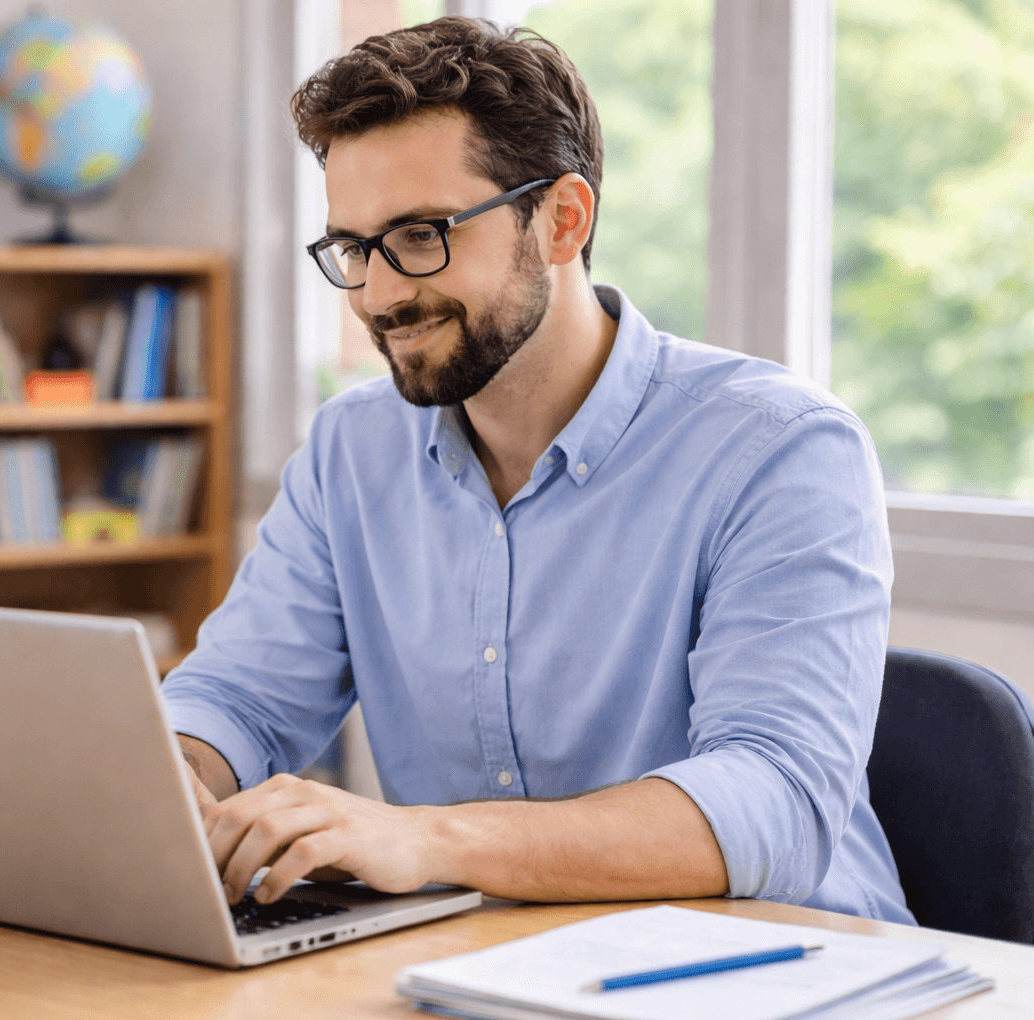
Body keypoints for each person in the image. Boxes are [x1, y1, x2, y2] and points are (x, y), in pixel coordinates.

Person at [162, 16, 912, 924]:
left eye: (420, 234)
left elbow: (776, 800)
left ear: (562, 220)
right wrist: (171, 772)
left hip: (786, 976)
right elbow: (238, 696)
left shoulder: (783, 449)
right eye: (354, 248)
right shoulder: (350, 451)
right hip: (478, 971)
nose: (380, 294)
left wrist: (428, 839)